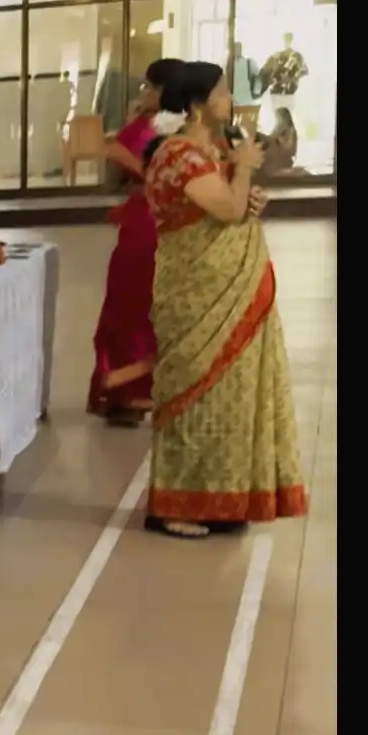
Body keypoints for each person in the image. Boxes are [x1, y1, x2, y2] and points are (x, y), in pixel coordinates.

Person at [138, 61, 307, 539]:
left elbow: (235, 207)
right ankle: (175, 505)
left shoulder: (211, 151)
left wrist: (248, 189)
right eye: (222, 92)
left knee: (229, 395)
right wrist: (244, 175)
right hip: (197, 293)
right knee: (196, 396)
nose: (229, 99)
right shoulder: (177, 156)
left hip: (228, 287)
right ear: (195, 105)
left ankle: (222, 499)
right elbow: (226, 209)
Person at [88, 59, 183, 426]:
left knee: (143, 306)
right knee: (127, 304)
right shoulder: (144, 125)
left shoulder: (178, 130)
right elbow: (115, 160)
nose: (143, 93)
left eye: (150, 87)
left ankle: (136, 387)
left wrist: (132, 160)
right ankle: (124, 390)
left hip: (157, 223)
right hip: (142, 222)